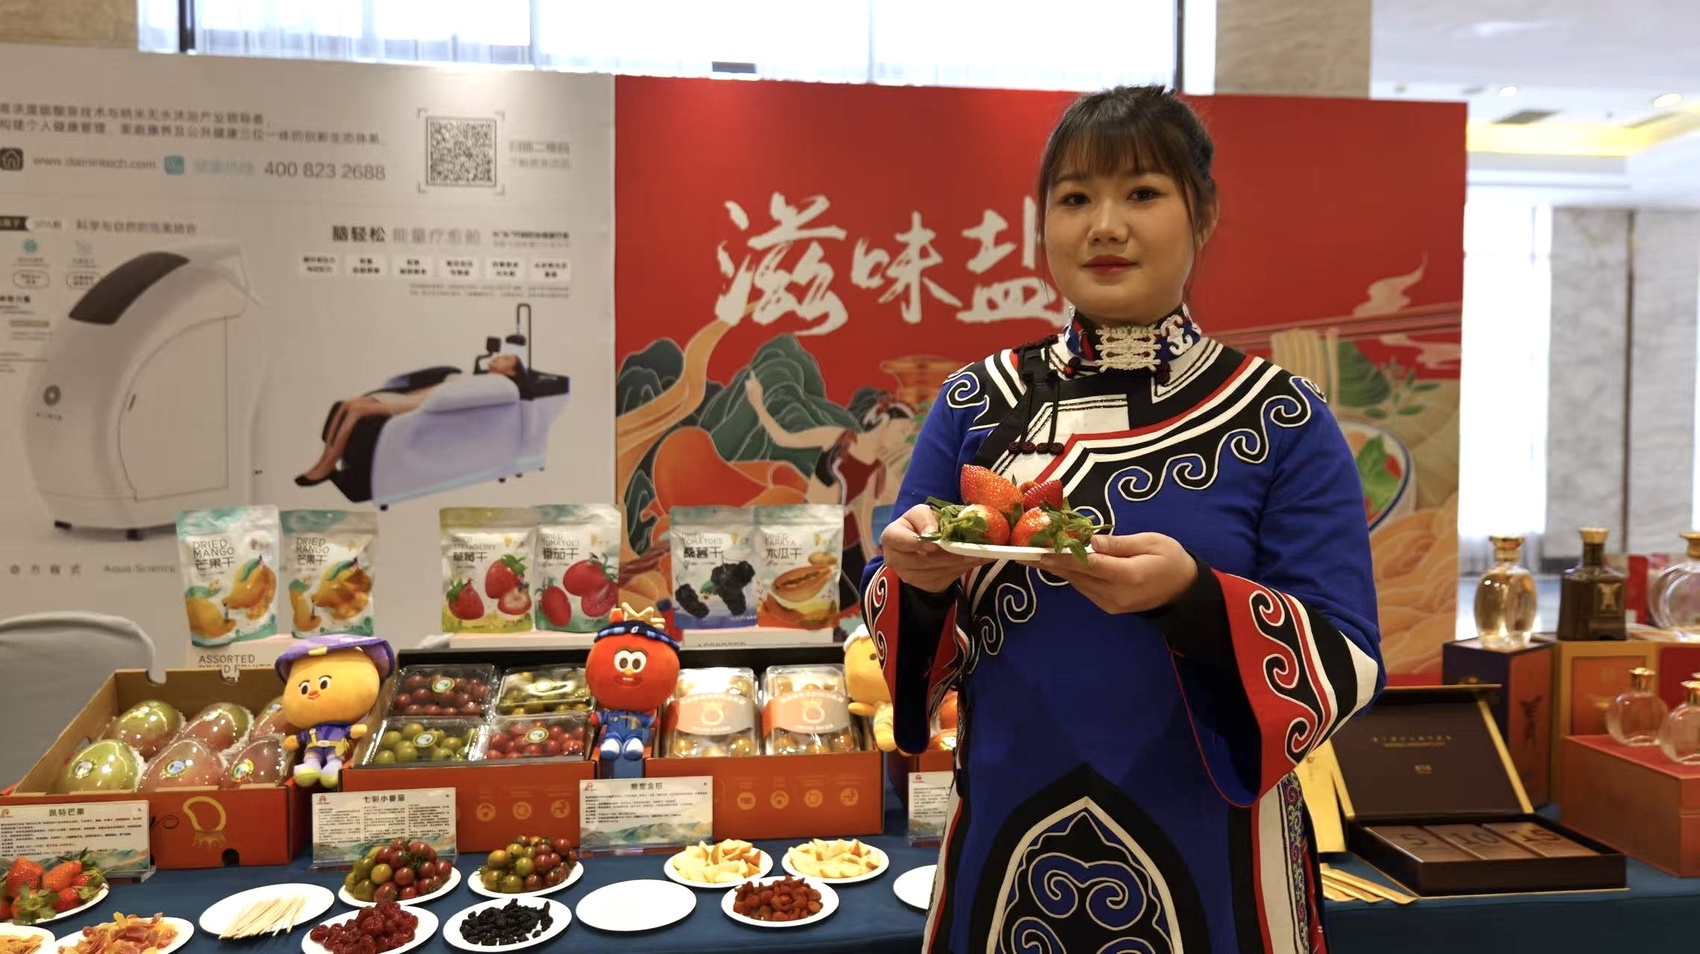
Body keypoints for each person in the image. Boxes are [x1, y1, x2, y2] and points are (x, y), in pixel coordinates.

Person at [862, 85, 1384, 954]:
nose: (1105, 226)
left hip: (1218, 849)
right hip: (1004, 841)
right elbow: (901, 627)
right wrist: (915, 584)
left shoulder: (1281, 416)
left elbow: (1348, 655)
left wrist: (1192, 598)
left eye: (1142, 192)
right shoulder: (973, 403)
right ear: (1042, 226)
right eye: (1074, 199)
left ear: (1202, 214)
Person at [295, 352, 525, 486]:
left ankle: (327, 465)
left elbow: (451, 396)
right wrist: (402, 393)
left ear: (511, 371)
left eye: (505, 358)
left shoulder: (500, 384)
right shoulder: (480, 377)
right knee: (348, 404)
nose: (498, 357)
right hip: (417, 396)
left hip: (423, 404)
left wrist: (410, 400)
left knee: (357, 411)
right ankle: (325, 459)